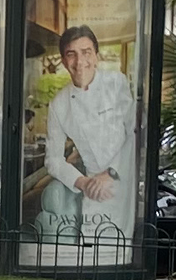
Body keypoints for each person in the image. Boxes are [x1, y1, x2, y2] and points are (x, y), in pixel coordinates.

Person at [38, 24, 136, 257]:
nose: (80, 61)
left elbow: (133, 134)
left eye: (86, 52)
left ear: (97, 56)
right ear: (63, 61)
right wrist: (83, 182)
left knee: (126, 254)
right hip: (93, 191)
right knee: (94, 257)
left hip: (124, 181)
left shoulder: (116, 83)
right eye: (72, 54)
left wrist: (111, 173)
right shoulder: (60, 104)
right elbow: (52, 160)